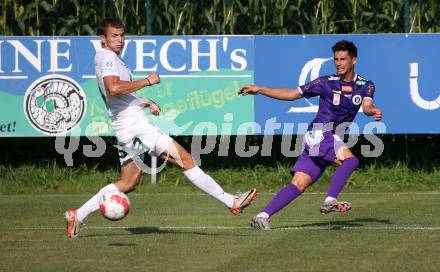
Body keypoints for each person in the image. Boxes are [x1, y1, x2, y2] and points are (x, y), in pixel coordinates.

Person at [64, 17, 256, 238]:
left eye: (122, 35)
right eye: (114, 36)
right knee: (186, 160)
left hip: (128, 125)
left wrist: (143, 102)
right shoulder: (107, 56)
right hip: (135, 127)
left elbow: (117, 95)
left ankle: (77, 215)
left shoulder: (109, 57)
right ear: (103, 39)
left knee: (129, 182)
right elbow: (114, 88)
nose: (120, 40)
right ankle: (231, 201)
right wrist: (147, 80)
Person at [238, 40, 382, 230]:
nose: (338, 63)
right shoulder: (325, 82)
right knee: (351, 161)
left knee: (299, 184)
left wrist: (372, 111)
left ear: (354, 60)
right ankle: (330, 200)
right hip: (320, 133)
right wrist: (260, 89)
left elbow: (367, 105)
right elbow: (292, 94)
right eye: (336, 59)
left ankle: (262, 216)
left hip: (326, 137)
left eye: (343, 59)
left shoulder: (366, 85)